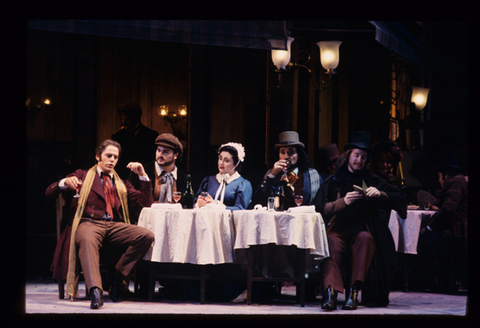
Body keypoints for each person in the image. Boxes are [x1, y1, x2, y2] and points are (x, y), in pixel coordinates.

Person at [46, 139, 154, 309]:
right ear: (98, 156)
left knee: (146, 235)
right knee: (88, 241)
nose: (112, 160)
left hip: (113, 226)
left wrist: (142, 175)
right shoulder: (82, 175)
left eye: (115, 157)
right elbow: (49, 192)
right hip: (88, 223)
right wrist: (64, 182)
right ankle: (96, 291)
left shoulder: (122, 183)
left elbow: (145, 202)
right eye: (108, 156)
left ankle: (118, 275)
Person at [314, 131, 407, 310]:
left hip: (361, 230)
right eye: (356, 155)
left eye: (363, 157)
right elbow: (319, 209)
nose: (359, 160)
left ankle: (353, 292)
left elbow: (400, 197)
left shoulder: (372, 180)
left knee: (366, 239)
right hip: (337, 229)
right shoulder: (334, 181)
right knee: (331, 243)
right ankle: (331, 293)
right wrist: (343, 202)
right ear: (349, 156)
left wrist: (381, 194)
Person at [416, 153, 468, 293]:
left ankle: (443, 281)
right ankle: (444, 281)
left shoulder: (456, 182)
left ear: (445, 174)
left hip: (460, 230)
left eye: (439, 176)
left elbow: (449, 208)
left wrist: (428, 227)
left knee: (430, 239)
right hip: (456, 228)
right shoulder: (457, 182)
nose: (439, 181)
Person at [250, 131, 321, 210]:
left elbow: (319, 203)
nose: (286, 156)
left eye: (291, 152)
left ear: (298, 154)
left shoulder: (311, 174)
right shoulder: (271, 173)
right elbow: (258, 200)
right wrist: (272, 175)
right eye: (282, 152)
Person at [128, 133, 187, 219]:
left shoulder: (183, 177)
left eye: (165, 152)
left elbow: (185, 205)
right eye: (158, 150)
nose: (160, 154)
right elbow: (133, 203)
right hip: (148, 220)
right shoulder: (142, 172)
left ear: (176, 155)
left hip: (175, 221)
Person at [195, 142, 252, 211]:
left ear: (236, 164)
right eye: (220, 158)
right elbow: (196, 200)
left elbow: (240, 209)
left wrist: (218, 207)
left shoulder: (242, 184)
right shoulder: (209, 180)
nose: (221, 163)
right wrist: (199, 203)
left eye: (226, 160)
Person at [111, 102, 159, 180]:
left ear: (136, 118)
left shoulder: (151, 135)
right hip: (122, 178)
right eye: (122, 118)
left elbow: (152, 160)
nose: (124, 122)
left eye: (128, 119)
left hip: (144, 176)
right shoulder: (117, 137)